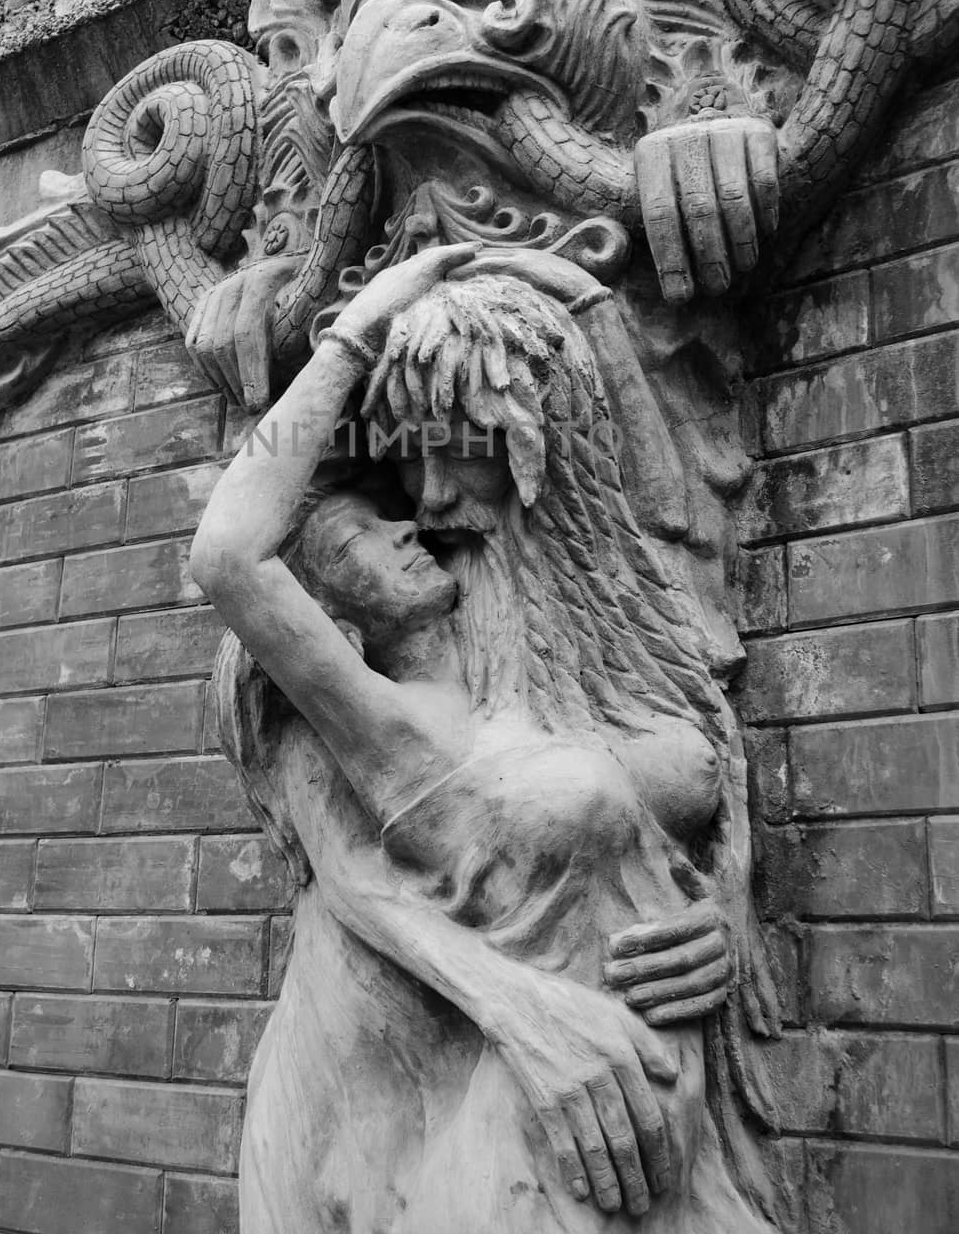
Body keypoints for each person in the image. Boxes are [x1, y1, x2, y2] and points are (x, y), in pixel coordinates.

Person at [191, 244, 778, 1234]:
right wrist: (354, 330)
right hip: (484, 1127)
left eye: (448, 448)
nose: (422, 504)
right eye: (399, 474)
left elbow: (698, 780)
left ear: (528, 442)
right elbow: (230, 555)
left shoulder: (600, 623)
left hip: (633, 1125)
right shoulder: (385, 716)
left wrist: (719, 911)